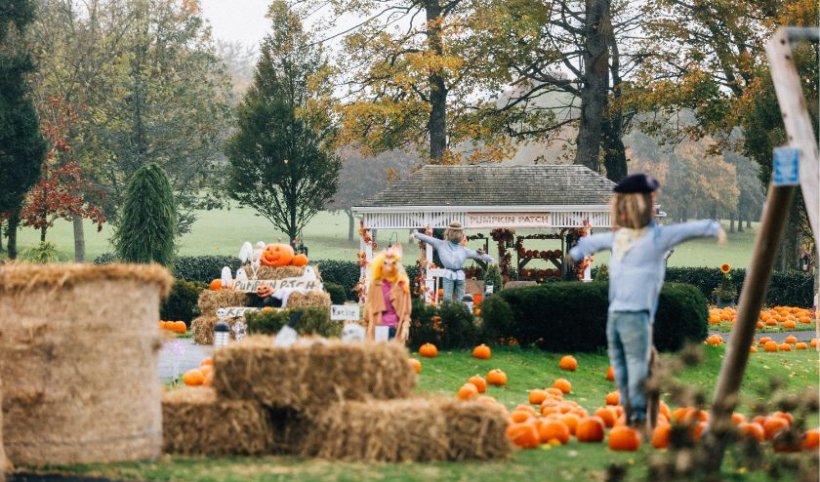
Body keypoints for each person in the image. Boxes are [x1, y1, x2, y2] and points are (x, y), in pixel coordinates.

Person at [568, 173, 726, 433]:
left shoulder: (656, 238)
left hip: (636, 315)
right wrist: (577, 251)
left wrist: (711, 227)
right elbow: (595, 241)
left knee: (636, 367)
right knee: (620, 366)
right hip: (615, 313)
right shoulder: (619, 238)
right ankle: (630, 410)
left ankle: (638, 417)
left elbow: (683, 231)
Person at [413, 221, 495, 303]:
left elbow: (477, 254)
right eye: (454, 231)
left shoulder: (463, 249)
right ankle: (448, 311)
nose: (456, 234)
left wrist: (490, 258)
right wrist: (417, 234)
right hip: (448, 274)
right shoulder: (441, 244)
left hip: (459, 275)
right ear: (448, 233)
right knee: (447, 297)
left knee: (460, 297)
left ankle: (459, 311)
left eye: (458, 232)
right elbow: (429, 239)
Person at [364, 244, 412, 343]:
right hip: (377, 327)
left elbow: (406, 311)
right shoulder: (375, 284)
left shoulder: (402, 285)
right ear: (380, 265)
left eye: (393, 263)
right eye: (385, 263)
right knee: (378, 356)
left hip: (395, 328)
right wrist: (365, 326)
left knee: (393, 357)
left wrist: (405, 326)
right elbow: (368, 306)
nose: (389, 266)